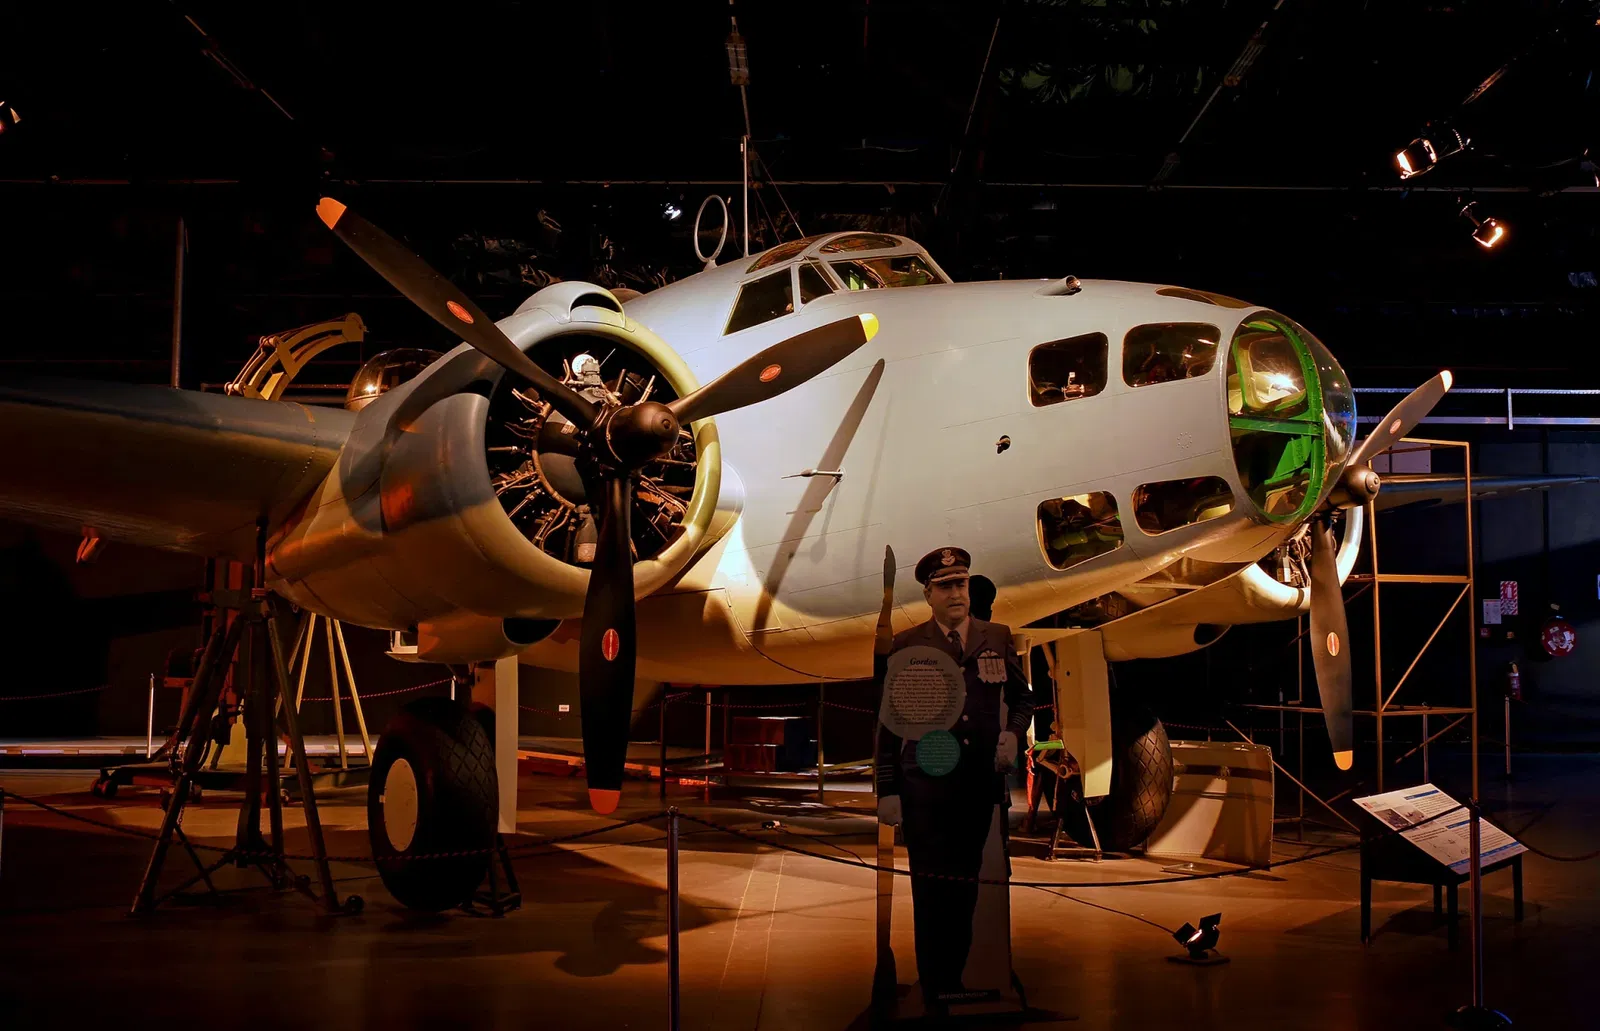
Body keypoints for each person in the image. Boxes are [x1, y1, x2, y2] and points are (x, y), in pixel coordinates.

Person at [876, 547, 1033, 1007]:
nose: (956, 593)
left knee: (965, 890)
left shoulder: (997, 637)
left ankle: (954, 981)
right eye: (945, 586)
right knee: (929, 892)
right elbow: (889, 723)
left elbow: (1023, 699)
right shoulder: (909, 645)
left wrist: (1012, 733)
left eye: (961, 584)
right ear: (928, 594)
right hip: (923, 787)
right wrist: (887, 789)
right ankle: (935, 987)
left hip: (975, 784)